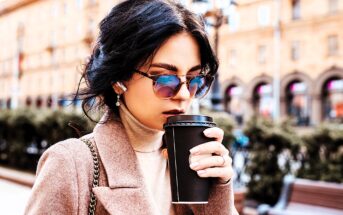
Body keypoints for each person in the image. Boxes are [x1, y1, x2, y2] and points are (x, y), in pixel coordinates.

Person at [25, 0, 238, 214]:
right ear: (119, 80)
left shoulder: (190, 161)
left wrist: (219, 193)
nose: (184, 95)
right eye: (165, 80)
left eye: (194, 80)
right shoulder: (71, 165)